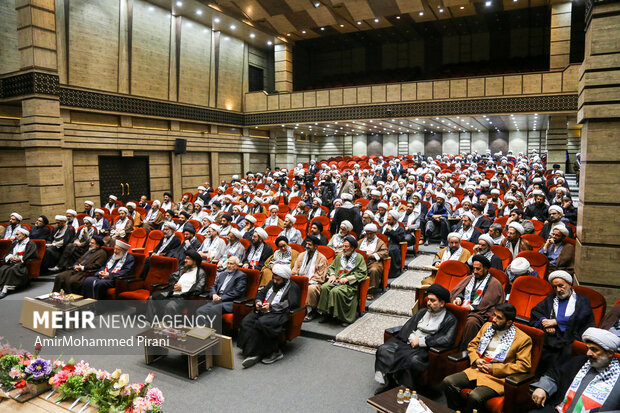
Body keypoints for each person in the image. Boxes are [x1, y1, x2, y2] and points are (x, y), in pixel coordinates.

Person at [442, 303, 532, 413]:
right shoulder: (487, 327)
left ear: (509, 322)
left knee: (475, 397)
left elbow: (523, 365)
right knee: (448, 381)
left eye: (499, 318)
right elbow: (472, 345)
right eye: (494, 315)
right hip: (477, 370)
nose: (494, 319)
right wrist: (476, 359)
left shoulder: (523, 339)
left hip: (496, 378)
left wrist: (494, 368)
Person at [374, 284, 457, 392]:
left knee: (412, 360)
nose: (428, 303)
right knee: (383, 349)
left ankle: (408, 389)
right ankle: (391, 382)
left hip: (425, 348)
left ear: (442, 303)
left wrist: (421, 342)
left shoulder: (450, 319)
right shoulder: (423, 311)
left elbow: (446, 339)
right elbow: (409, 326)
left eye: (433, 301)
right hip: (409, 341)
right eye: (428, 300)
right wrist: (412, 337)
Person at [530, 328, 620, 413]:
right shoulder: (580, 362)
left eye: (594, 350)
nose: (588, 353)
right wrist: (543, 388)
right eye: (587, 348)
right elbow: (555, 375)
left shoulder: (617, 376)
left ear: (610, 353)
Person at [530, 270, 595, 374]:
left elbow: (581, 318)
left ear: (569, 284)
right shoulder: (551, 298)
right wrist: (545, 322)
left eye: (561, 286)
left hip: (571, 340)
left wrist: (556, 322)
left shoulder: (582, 300)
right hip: (551, 340)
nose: (558, 290)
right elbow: (536, 311)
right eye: (555, 287)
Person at [237, 264, 301, 368]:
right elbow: (261, 294)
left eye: (278, 280)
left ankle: (275, 352)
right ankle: (252, 351)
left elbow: (291, 304)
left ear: (285, 279)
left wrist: (271, 307)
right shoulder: (271, 283)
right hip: (263, 310)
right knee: (247, 321)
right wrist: (258, 302)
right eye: (274, 278)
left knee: (262, 323)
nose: (275, 282)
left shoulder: (293, 287)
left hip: (279, 313)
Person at [450, 255, 506, 348]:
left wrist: (470, 307)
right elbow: (460, 291)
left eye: (478, 269)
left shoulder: (494, 283)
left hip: (480, 312)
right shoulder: (470, 278)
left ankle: (464, 350)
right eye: (473, 268)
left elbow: (488, 302)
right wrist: (458, 299)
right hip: (463, 308)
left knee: (471, 322)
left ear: (486, 269)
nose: (475, 271)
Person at [317, 236, 368, 326]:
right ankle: (326, 314)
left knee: (336, 291)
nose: (343, 249)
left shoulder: (359, 258)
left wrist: (348, 278)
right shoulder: (340, 256)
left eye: (346, 247)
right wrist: (332, 275)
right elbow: (331, 267)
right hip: (336, 280)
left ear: (352, 248)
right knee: (324, 287)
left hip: (349, 285)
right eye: (343, 246)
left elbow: (363, 273)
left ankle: (342, 317)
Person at [146, 249, 206, 319]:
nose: (185, 260)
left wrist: (183, 288)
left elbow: (199, 288)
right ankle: (150, 321)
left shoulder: (200, 272)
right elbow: (172, 278)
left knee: (170, 306)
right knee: (151, 298)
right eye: (185, 258)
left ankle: (166, 327)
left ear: (194, 261)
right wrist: (174, 283)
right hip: (171, 293)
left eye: (188, 259)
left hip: (183, 297)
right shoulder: (183, 269)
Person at [291, 235, 329, 322]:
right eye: (306, 244)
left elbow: (320, 276)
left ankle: (310, 312)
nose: (307, 246)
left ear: (315, 246)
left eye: (309, 245)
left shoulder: (321, 258)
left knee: (310, 289)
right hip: (301, 280)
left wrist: (308, 281)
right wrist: (298, 278)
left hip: (315, 283)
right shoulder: (301, 255)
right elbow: (295, 270)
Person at [0, 227, 37, 299]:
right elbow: (9, 252)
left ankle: (5, 289)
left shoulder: (31, 244)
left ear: (23, 235)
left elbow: (31, 255)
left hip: (22, 264)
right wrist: (11, 257)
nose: (15, 236)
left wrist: (20, 259)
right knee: (2, 268)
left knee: (12, 270)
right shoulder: (15, 243)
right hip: (12, 262)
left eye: (17, 234)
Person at [358, 223, 389, 299]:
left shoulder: (380, 242)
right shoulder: (361, 241)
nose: (368, 235)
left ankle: (371, 291)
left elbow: (385, 253)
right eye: (367, 233)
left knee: (374, 270)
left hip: (374, 262)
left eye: (370, 234)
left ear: (375, 233)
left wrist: (372, 255)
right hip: (361, 261)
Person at [381, 210, 406, 278]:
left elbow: (400, 239)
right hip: (382, 243)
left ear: (394, 220)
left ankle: (391, 273)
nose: (387, 221)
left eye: (389, 220)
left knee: (392, 251)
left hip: (393, 244)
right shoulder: (384, 226)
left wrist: (391, 231)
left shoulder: (400, 229)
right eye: (387, 219)